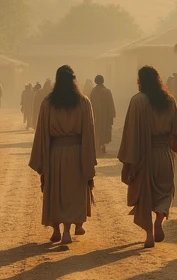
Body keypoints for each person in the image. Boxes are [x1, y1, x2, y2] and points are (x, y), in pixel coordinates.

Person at [118, 66, 177, 249]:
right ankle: (159, 220)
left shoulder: (137, 101)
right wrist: (174, 146)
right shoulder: (169, 100)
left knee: (145, 194)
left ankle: (148, 234)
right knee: (165, 191)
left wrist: (128, 162)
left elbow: (130, 134)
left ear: (141, 81)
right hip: (163, 154)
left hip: (143, 156)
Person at [29, 65, 96, 244]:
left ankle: (56, 230)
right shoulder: (84, 102)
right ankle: (68, 229)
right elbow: (89, 135)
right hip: (76, 154)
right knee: (72, 192)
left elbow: (42, 133)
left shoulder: (48, 103)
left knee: (56, 191)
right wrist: (88, 163)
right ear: (74, 80)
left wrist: (42, 161)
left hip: (55, 154)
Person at [89, 75, 116, 154]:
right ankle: (102, 145)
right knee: (104, 130)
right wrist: (111, 115)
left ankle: (97, 145)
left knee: (97, 130)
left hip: (96, 115)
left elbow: (91, 103)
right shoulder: (107, 91)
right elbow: (111, 104)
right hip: (105, 115)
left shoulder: (93, 91)